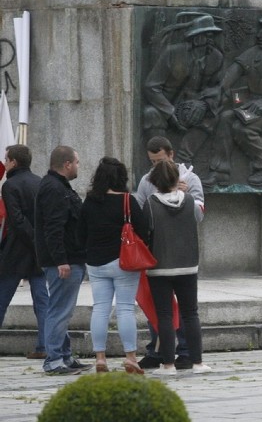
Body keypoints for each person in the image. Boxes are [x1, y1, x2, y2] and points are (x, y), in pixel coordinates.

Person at [135, 136, 204, 370]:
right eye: (152, 162)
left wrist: (184, 196)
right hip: (184, 262)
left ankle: (174, 359)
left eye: (159, 161)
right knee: (181, 312)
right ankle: (178, 357)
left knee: (174, 313)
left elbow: (199, 215)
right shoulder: (146, 182)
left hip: (161, 262)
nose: (155, 166)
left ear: (171, 155)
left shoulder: (191, 182)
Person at [202, 16, 262, 188]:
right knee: (225, 118)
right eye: (259, 30)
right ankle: (220, 172)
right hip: (249, 107)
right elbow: (233, 73)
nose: (259, 35)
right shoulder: (253, 53)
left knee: (242, 128)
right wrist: (219, 89)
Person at [78, 157, 147, 374]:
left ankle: (100, 358)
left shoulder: (89, 201)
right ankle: (131, 357)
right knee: (125, 308)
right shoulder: (128, 200)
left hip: (96, 263)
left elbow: (80, 233)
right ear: (122, 178)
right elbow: (144, 230)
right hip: (123, 262)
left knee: (100, 308)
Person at [34, 145, 91, 375]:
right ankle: (54, 360)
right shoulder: (54, 189)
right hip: (63, 261)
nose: (78, 166)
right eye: (76, 162)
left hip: (68, 258)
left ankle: (64, 356)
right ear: (67, 164)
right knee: (59, 310)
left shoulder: (58, 186)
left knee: (62, 309)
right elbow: (53, 228)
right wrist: (61, 260)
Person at [142, 13, 224, 162]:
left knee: (213, 115)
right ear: (195, 37)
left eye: (212, 35)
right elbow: (151, 86)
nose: (210, 39)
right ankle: (161, 162)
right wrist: (169, 111)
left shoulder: (216, 57)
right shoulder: (172, 53)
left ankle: (184, 158)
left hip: (195, 106)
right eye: (206, 35)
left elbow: (218, 88)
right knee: (150, 113)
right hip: (168, 105)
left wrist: (204, 104)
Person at [0, 144, 48, 359]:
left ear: (14, 162)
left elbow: (17, 219)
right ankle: (44, 345)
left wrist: (31, 237)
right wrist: (38, 240)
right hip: (38, 252)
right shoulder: (40, 182)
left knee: (2, 298)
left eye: (6, 159)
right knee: (42, 301)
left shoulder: (10, 186)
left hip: (16, 250)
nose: (4, 162)